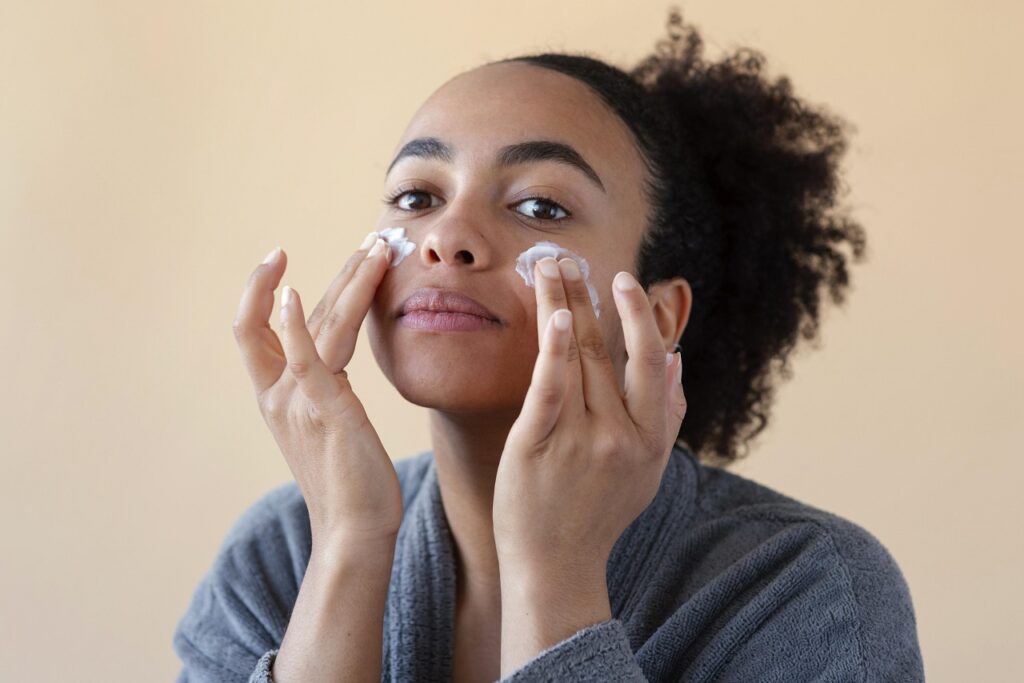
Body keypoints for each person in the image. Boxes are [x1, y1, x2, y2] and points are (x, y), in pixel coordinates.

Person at [173, 8, 924, 682]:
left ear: (659, 317)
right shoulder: (279, 557)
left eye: (539, 205)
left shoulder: (801, 585)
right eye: (417, 197)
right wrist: (348, 543)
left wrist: (554, 574)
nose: (448, 238)